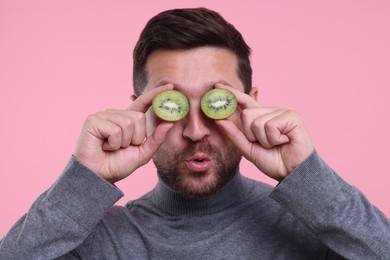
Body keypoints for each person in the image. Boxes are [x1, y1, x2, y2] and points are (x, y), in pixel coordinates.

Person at [0, 7, 389, 259]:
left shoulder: (318, 230)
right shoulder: (99, 241)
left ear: (249, 105)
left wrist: (309, 176)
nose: (196, 130)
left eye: (215, 102)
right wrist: (80, 182)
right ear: (141, 111)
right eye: (173, 106)